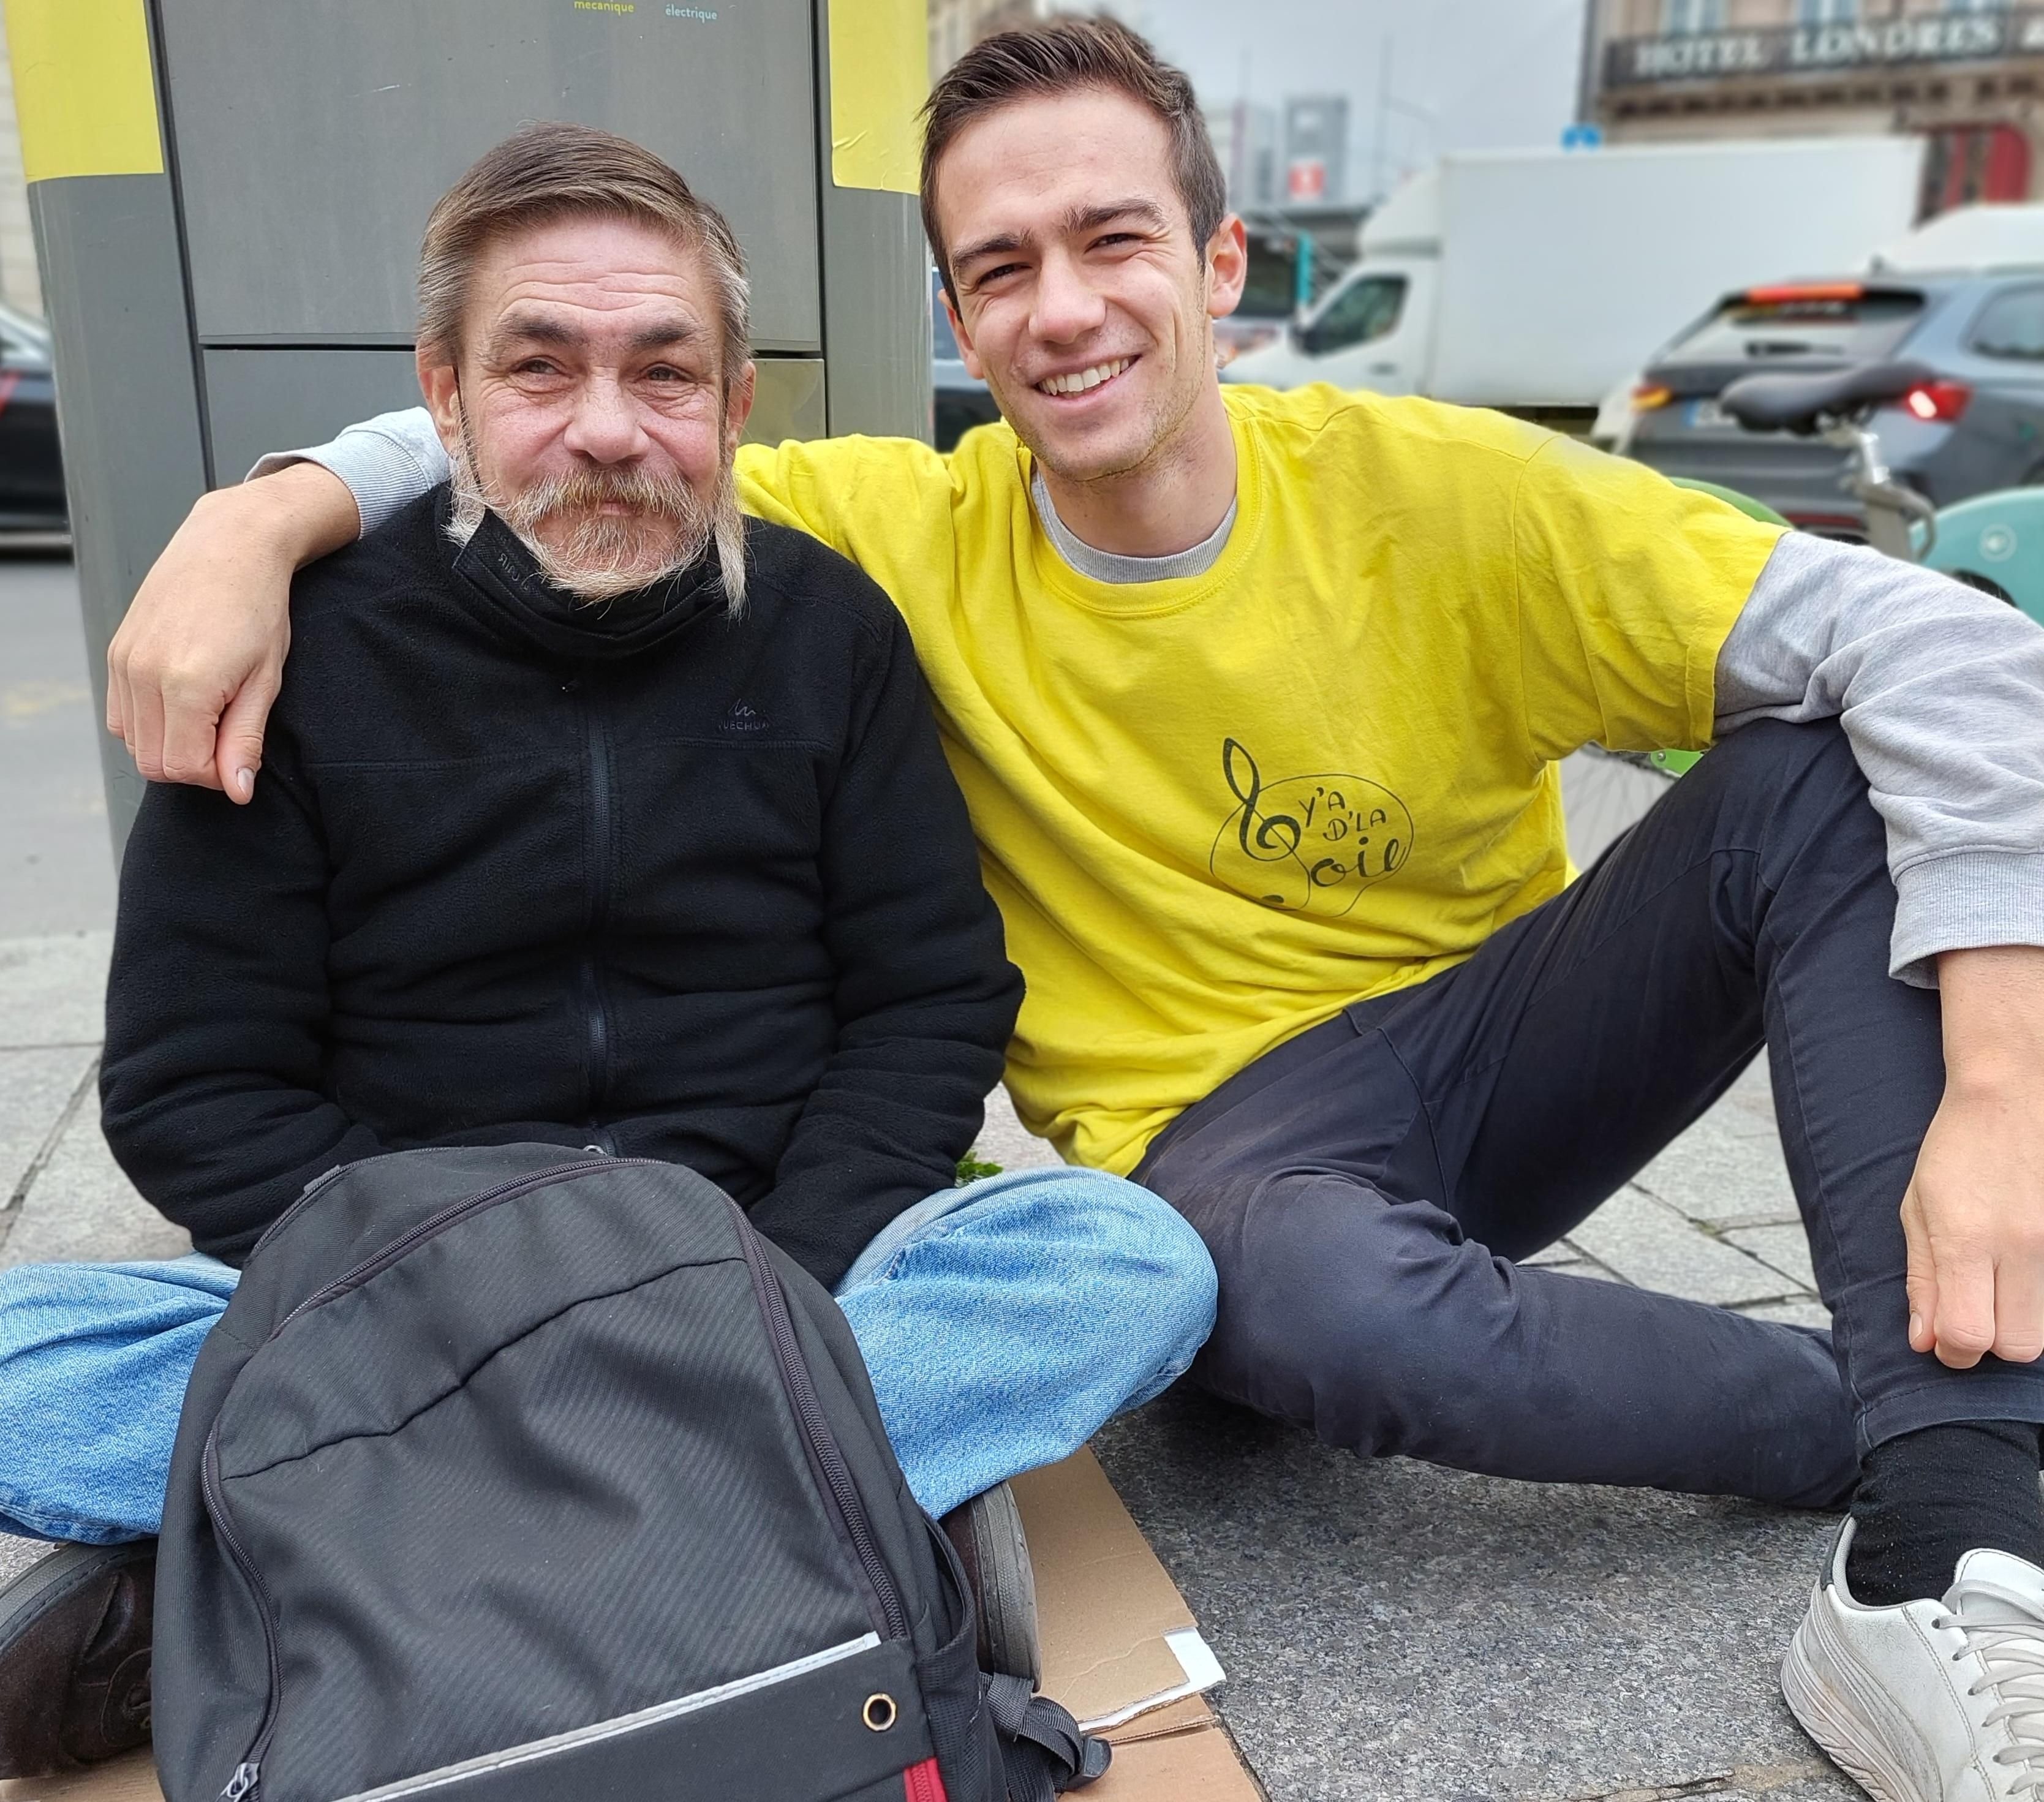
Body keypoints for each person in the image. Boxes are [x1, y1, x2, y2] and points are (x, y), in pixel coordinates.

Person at [98, 17, 2044, 1797]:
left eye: (1111, 241)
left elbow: (1946, 650)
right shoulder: (883, 531)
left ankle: (1947, 1512)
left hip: (1474, 1058)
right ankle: (697, 1479)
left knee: (1802, 765)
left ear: (1217, 268)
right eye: (998, 270)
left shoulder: (1443, 492)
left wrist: (1996, 1092)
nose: (1062, 310)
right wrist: (257, 516)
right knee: (1201, 1278)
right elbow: (561, 426)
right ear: (953, 312)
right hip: (1212, 1170)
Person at [0, 123, 1220, 1781]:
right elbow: (191, 1083)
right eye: (538, 368)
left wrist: (762, 1286)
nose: (602, 429)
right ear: (444, 398)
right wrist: (459, 1314)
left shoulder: (829, 636)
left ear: (730, 408)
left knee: (1125, 1260)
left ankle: (292, 1564)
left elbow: (927, 1007)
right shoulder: (293, 658)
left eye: (662, 373)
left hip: (769, 1276)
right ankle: (812, 1536)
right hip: (393, 1300)